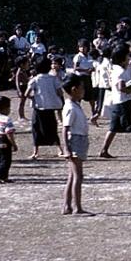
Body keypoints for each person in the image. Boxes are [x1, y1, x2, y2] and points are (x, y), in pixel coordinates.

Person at [100, 45, 131, 158]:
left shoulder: (116, 69)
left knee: (113, 128)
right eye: (127, 56)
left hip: (117, 102)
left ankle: (104, 149)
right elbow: (121, 87)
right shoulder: (120, 72)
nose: (129, 58)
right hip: (125, 102)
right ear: (122, 59)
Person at [19, 57, 64, 160]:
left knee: (36, 129)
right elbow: (60, 92)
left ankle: (35, 152)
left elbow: (27, 94)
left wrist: (35, 97)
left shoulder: (35, 79)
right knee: (52, 128)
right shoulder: (53, 79)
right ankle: (59, 149)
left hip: (38, 108)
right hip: (50, 108)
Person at [60, 75, 92, 215]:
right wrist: (66, 148)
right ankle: (77, 207)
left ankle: (67, 206)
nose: (84, 90)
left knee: (72, 176)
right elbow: (65, 128)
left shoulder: (75, 105)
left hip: (79, 139)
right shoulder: (70, 108)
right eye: (82, 88)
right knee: (78, 176)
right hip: (75, 141)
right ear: (74, 89)